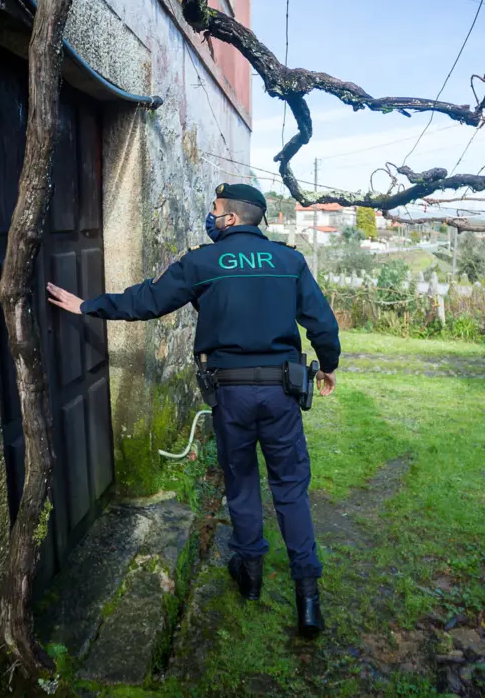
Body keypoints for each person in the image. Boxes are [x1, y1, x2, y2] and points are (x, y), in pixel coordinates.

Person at [46, 183, 340, 638]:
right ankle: (308, 600)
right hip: (282, 394)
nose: (211, 214)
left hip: (231, 395)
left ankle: (251, 576)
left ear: (233, 218)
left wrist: (89, 306)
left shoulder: (201, 262)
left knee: (241, 481)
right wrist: (329, 365)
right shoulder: (289, 261)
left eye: (215, 209)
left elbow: (147, 300)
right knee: (290, 487)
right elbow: (321, 321)